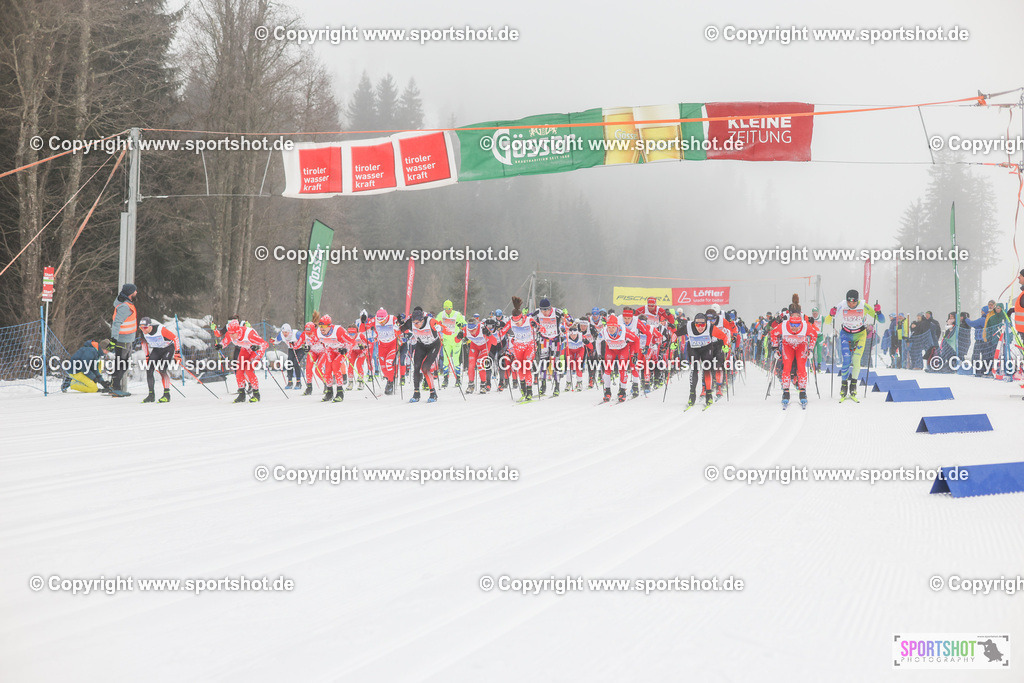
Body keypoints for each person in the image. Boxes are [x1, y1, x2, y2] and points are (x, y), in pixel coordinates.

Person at [825, 289, 883, 402]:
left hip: (860, 335)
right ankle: (844, 385)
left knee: (856, 359)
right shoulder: (842, 305)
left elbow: (881, 320)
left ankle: (853, 386)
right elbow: (828, 321)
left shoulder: (863, 305)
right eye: (849, 301)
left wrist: (879, 312)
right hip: (845, 335)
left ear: (857, 300)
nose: (851, 304)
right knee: (846, 359)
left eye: (853, 302)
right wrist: (830, 314)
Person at [770, 295, 818, 408]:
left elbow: (814, 335)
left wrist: (810, 349)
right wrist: (775, 349)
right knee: (786, 367)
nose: (794, 328)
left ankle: (802, 392)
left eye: (797, 325)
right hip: (788, 346)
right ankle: (786, 393)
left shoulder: (805, 325)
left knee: (801, 368)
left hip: (801, 346)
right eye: (792, 325)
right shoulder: (783, 325)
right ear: (789, 318)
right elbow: (773, 334)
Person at [683, 312, 729, 410]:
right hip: (694, 349)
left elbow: (724, 336)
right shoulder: (689, 326)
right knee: (695, 369)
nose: (700, 326)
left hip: (707, 348)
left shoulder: (710, 326)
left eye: (702, 324)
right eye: (697, 324)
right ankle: (692, 395)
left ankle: (709, 395)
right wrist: (673, 342)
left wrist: (726, 345)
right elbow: (676, 333)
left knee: (707, 369)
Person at [217, 319, 269, 403]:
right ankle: (241, 394)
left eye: (233, 334)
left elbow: (265, 344)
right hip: (246, 348)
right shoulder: (230, 333)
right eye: (230, 334)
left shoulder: (249, 334)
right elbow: (225, 341)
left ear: (238, 331)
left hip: (256, 350)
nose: (232, 336)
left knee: (248, 370)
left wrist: (257, 347)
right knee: (239, 371)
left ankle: (256, 394)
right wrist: (220, 345)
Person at [400, 306, 441, 403]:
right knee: (416, 368)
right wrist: (399, 324)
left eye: (417, 323)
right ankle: (416, 393)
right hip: (421, 345)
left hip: (433, 345)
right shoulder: (411, 322)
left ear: (422, 320)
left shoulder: (430, 321)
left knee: (425, 368)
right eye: (414, 323)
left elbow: (447, 330)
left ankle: (433, 393)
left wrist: (440, 327)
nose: (415, 325)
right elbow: (400, 330)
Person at [138, 317, 181, 403]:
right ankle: (151, 395)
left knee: (162, 369)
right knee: (149, 370)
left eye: (145, 327)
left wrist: (177, 353)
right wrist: (147, 356)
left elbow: (175, 338)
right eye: (141, 327)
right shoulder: (143, 332)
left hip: (168, 348)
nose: (143, 330)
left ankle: (166, 395)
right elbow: (144, 344)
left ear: (150, 326)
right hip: (157, 349)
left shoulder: (160, 329)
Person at [109, 283, 138, 394]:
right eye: (135, 291)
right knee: (122, 364)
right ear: (130, 293)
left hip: (127, 339)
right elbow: (116, 323)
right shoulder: (125, 307)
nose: (136, 293)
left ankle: (114, 386)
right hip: (122, 339)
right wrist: (114, 339)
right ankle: (115, 387)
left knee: (122, 363)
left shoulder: (125, 303)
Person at [435, 300, 466, 388]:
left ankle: (458, 379)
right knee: (445, 360)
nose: (447, 310)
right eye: (445, 309)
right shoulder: (441, 314)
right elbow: (435, 322)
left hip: (456, 340)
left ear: (452, 308)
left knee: (456, 360)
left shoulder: (457, 314)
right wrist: (437, 326)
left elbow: (465, 325)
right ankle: (445, 379)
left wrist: (461, 326)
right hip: (446, 341)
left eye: (448, 308)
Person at [274, 323, 304, 390]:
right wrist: (273, 341)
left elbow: (304, 339)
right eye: (283, 332)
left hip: (300, 349)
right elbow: (276, 340)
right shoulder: (281, 335)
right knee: (289, 363)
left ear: (289, 331)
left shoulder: (296, 334)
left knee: (296, 363)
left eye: (286, 332)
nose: (285, 334)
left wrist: (297, 344)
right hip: (291, 348)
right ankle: (290, 382)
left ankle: (298, 382)